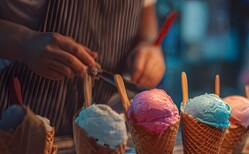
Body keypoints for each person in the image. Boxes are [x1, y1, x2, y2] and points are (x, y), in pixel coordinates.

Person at [0, 0, 166, 136]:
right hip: (17, 131)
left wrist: (148, 43)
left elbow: (146, 9)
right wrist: (24, 42)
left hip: (105, 132)